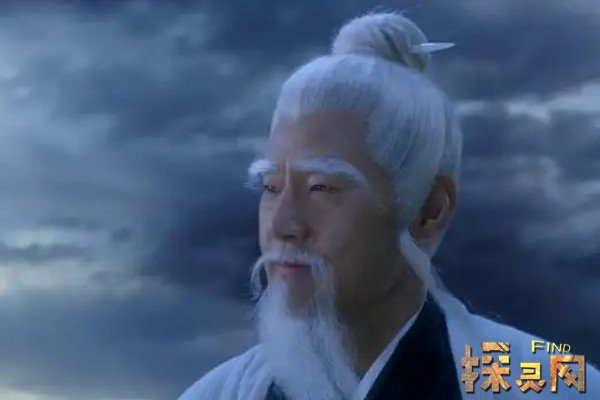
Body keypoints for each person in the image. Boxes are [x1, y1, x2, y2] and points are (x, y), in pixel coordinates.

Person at [178, 11, 600, 400]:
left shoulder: (548, 384)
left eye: (321, 187)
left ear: (429, 209)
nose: (284, 225)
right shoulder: (220, 393)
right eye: (271, 187)